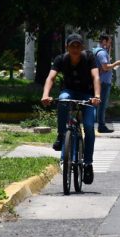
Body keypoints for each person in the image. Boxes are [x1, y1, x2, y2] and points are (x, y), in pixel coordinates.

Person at [41, 33, 101, 185]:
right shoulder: (61, 59)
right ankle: (62, 136)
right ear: (67, 47)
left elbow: (96, 77)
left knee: (88, 126)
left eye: (78, 46)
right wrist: (46, 95)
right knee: (62, 100)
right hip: (70, 91)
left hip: (87, 94)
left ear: (82, 47)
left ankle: (87, 163)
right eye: (72, 45)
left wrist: (97, 96)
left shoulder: (89, 58)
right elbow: (51, 78)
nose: (75, 49)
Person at [94, 33, 120, 133]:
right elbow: (105, 67)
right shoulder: (102, 53)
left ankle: (97, 124)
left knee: (98, 104)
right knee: (102, 105)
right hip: (103, 82)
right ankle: (101, 126)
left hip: (100, 81)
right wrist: (116, 63)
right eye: (109, 42)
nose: (110, 44)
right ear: (104, 41)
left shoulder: (98, 51)